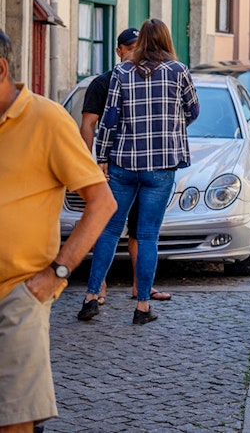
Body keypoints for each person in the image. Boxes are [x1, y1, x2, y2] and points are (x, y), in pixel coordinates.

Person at [0, 29, 117, 432]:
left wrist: (57, 273)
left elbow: (103, 202)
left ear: (0, 70)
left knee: (14, 418)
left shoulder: (47, 119)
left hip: (17, 294)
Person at [79, 19, 198, 325]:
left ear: (141, 41)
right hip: (160, 166)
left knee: (108, 229)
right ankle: (142, 306)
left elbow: (109, 120)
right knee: (146, 236)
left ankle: (92, 297)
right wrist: (170, 126)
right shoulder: (178, 71)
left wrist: (102, 157)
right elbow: (193, 110)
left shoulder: (121, 73)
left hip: (123, 164)